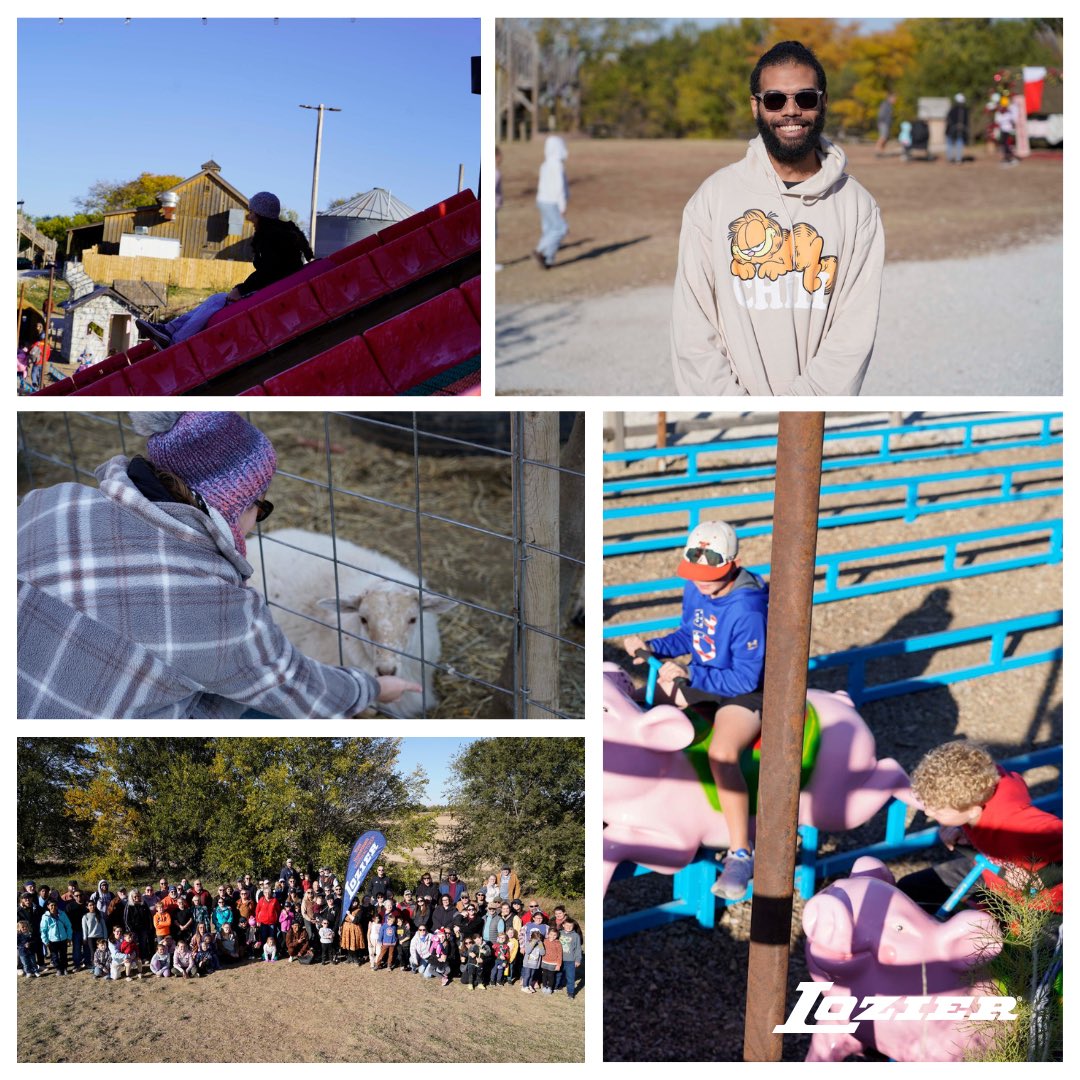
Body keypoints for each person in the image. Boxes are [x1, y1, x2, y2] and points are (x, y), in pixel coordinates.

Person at [17, 411, 419, 719]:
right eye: (259, 507)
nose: (259, 517)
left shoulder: (47, 501)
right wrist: (374, 688)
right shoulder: (215, 604)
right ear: (232, 507)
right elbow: (298, 689)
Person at [670, 40, 885, 396]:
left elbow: (853, 333)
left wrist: (801, 411)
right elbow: (693, 324)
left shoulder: (857, 206)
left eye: (805, 98)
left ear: (823, 101)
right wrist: (734, 409)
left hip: (816, 419)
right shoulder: (714, 197)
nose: (791, 111)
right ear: (756, 106)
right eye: (775, 99)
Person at [623, 520, 768, 901]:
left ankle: (740, 852)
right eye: (695, 574)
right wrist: (654, 648)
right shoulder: (697, 585)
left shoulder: (748, 608)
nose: (701, 581)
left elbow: (745, 680)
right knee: (635, 704)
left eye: (710, 575)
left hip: (743, 693)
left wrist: (690, 676)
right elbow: (692, 634)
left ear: (735, 562)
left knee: (722, 754)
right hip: (703, 679)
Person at [135, 191, 314, 350]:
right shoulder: (279, 235)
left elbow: (270, 271)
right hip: (273, 291)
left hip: (271, 295)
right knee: (217, 298)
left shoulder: (272, 237)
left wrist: (241, 289)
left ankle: (175, 340)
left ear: (260, 214)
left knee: (217, 300)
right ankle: (169, 329)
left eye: (251, 212)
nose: (249, 217)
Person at [899, 741, 1062, 914]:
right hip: (991, 870)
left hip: (1040, 903)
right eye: (927, 804)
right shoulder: (979, 786)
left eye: (938, 811)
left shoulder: (1020, 827)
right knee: (908, 889)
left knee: (974, 931)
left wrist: (1043, 879)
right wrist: (962, 831)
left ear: (973, 811)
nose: (928, 813)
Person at [534, 135, 569, 270]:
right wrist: (562, 205)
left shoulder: (545, 164)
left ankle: (548, 259)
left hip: (542, 200)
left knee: (549, 229)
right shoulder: (557, 165)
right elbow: (560, 187)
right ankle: (540, 250)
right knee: (560, 229)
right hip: (552, 202)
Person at [39, 899, 73, 976]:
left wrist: (69, 937)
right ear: (48, 906)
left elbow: (68, 925)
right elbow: (43, 930)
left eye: (55, 905)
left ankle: (64, 968)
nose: (53, 907)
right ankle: (58, 969)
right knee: (54, 956)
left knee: (63, 955)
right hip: (52, 940)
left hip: (63, 938)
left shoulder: (62, 914)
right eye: (51, 905)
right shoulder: (45, 917)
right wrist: (46, 941)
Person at [559, 917, 582, 999]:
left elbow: (578, 949)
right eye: (567, 925)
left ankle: (570, 993)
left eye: (570, 926)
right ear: (563, 925)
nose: (568, 927)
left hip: (570, 961)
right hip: (559, 959)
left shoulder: (576, 936)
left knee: (570, 977)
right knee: (559, 974)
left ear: (573, 926)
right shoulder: (559, 933)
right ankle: (559, 986)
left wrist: (578, 960)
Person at [945, 93, 969, 164]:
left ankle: (954, 158)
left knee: (954, 143)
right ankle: (956, 158)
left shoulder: (954, 110)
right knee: (957, 143)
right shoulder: (963, 110)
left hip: (955, 131)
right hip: (956, 130)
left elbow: (948, 119)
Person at [995, 96, 1019, 166]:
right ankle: (1006, 158)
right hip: (1003, 131)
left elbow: (1013, 121)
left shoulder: (1010, 112)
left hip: (1008, 131)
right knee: (1004, 146)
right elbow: (998, 122)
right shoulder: (999, 113)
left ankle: (1011, 158)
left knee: (1008, 146)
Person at [540, 927, 563, 995]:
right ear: (548, 934)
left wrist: (558, 964)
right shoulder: (545, 941)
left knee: (551, 976)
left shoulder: (558, 943)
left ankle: (550, 988)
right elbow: (541, 949)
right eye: (551, 934)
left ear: (557, 935)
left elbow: (560, 954)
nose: (552, 936)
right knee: (544, 975)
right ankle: (544, 986)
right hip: (544, 961)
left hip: (553, 963)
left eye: (554, 935)